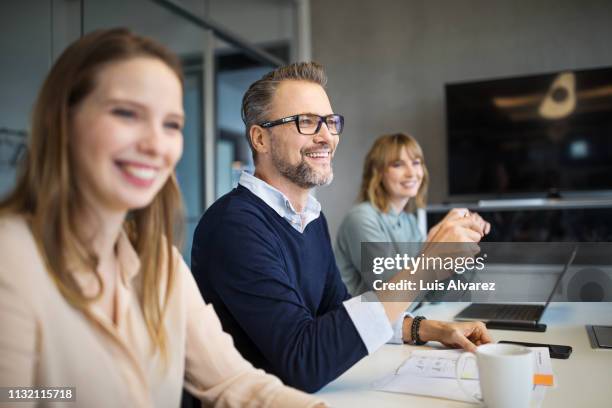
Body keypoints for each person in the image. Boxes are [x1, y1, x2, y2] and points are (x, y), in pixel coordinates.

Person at [0, 29, 324, 408]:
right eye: (126, 113)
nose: (155, 144)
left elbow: (233, 381)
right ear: (63, 122)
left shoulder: (159, 263)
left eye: (171, 124)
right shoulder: (12, 260)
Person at [191, 62, 493, 393]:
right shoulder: (233, 226)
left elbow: (340, 313)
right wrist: (424, 268)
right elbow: (304, 361)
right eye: (306, 122)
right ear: (260, 138)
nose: (327, 137)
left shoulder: (310, 217)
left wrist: (430, 329)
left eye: (330, 122)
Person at [335, 133, 490, 296]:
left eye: (416, 163)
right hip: (365, 320)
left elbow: (434, 293)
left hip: (405, 318)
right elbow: (394, 296)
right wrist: (436, 240)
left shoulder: (409, 221)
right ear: (378, 172)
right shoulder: (360, 219)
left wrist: (462, 244)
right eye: (398, 164)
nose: (411, 173)